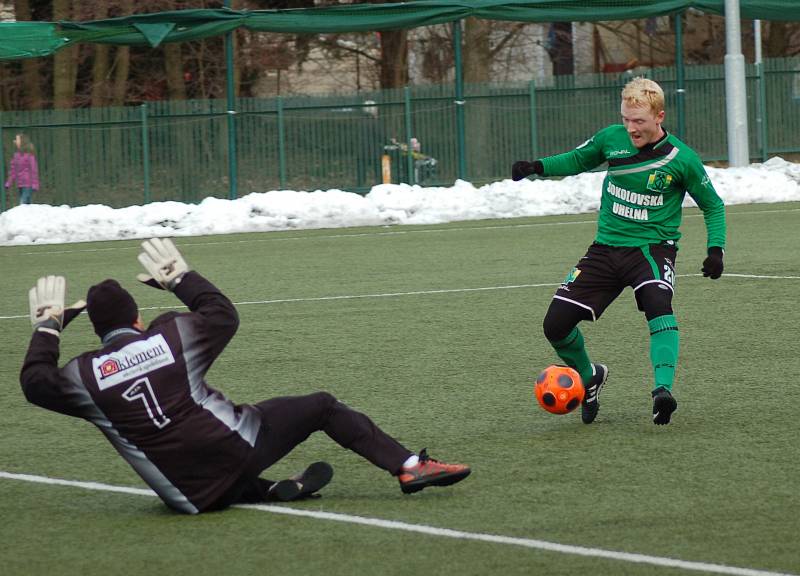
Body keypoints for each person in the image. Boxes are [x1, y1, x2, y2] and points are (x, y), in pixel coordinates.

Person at [20, 238, 470, 514]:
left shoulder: (83, 376)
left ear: (97, 330)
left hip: (186, 496)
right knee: (322, 406)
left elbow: (35, 382)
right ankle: (411, 467)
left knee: (191, 472)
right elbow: (221, 314)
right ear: (138, 318)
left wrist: (49, 326)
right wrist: (180, 279)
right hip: (236, 446)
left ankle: (266, 491)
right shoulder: (169, 334)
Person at [512, 77, 726, 426]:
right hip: (605, 250)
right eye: (626, 119)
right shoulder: (611, 138)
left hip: (652, 251)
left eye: (638, 121)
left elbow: (713, 206)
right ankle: (589, 374)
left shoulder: (682, 159)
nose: (630, 128)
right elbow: (578, 159)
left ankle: (662, 391)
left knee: (658, 305)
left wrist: (715, 249)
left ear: (659, 116)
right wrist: (537, 167)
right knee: (555, 325)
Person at [5, 132, 40, 205]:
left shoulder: (30, 156)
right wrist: (9, 182)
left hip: (28, 184)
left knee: (23, 203)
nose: (15, 141)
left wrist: (35, 184)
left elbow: (34, 171)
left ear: (22, 141)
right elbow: (13, 170)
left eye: (17, 139)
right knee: (27, 204)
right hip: (20, 184)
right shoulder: (16, 155)